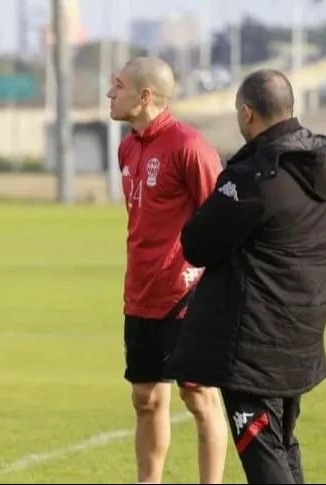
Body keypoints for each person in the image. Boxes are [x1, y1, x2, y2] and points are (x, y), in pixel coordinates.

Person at [170, 69, 326, 484]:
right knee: (281, 444)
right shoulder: (319, 165)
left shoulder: (256, 176)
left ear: (247, 113)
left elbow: (197, 243)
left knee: (263, 452)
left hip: (255, 345)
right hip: (301, 330)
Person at [106, 57, 229, 484]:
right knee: (145, 398)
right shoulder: (127, 146)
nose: (109, 94)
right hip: (140, 291)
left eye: (117, 86)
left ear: (144, 96)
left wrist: (211, 285)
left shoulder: (190, 147)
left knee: (198, 396)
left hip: (187, 294)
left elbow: (220, 220)